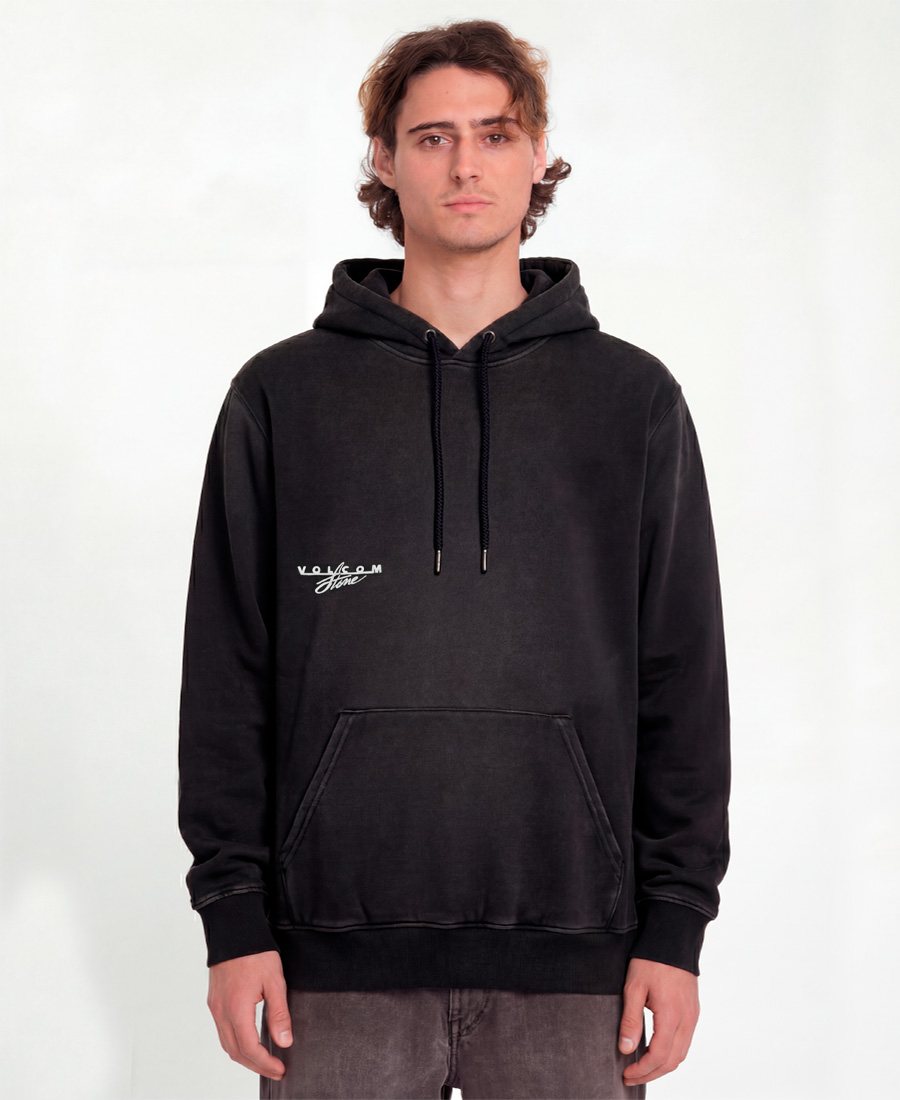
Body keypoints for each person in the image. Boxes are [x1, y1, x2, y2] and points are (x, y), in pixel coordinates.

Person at [177, 18, 731, 1100]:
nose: (466, 164)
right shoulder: (282, 396)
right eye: (432, 138)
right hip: (326, 962)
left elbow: (682, 675)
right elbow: (226, 673)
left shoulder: (632, 400)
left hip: (580, 961)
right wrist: (232, 919)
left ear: (538, 156)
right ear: (385, 162)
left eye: (495, 133)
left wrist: (677, 926)